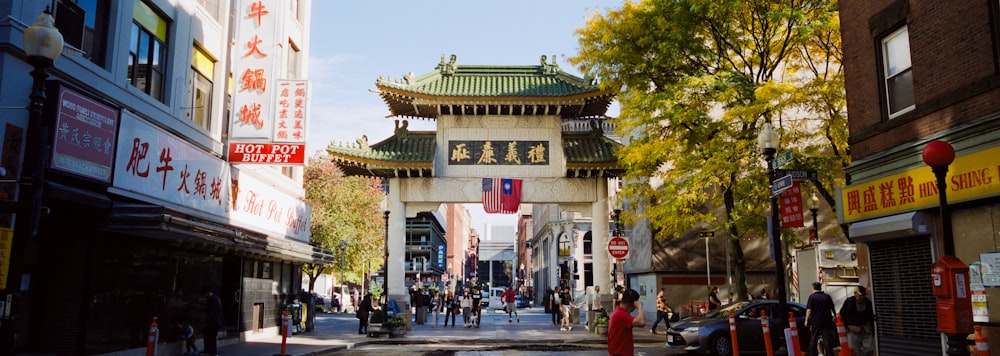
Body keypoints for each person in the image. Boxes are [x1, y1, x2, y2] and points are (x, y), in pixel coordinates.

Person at [839, 286, 876, 356]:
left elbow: (871, 317)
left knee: (870, 348)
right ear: (855, 294)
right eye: (859, 295)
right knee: (854, 351)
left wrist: (873, 331)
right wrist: (846, 326)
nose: (860, 297)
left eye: (862, 296)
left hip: (866, 329)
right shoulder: (849, 302)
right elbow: (842, 314)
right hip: (853, 330)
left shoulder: (868, 303)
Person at [609, 289, 646, 356]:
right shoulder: (621, 315)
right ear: (633, 304)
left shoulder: (618, 313)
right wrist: (640, 307)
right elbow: (641, 322)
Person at [805, 282, 836, 356]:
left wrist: (806, 320)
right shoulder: (827, 296)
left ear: (813, 288)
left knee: (814, 338)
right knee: (827, 338)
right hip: (826, 320)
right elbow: (832, 307)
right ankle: (829, 353)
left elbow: (809, 310)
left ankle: (812, 354)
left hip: (815, 321)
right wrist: (834, 315)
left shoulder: (812, 297)